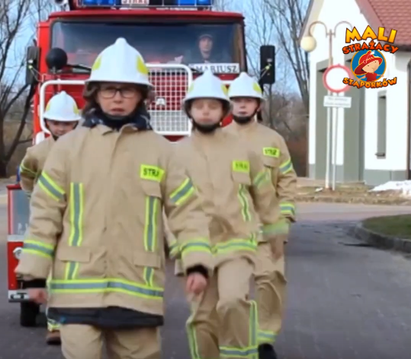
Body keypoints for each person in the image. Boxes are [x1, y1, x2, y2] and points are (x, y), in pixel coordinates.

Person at [15, 37, 209, 359]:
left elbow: (187, 211)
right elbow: (45, 214)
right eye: (109, 90)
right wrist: (34, 274)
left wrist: (197, 263)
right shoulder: (68, 149)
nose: (117, 98)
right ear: (94, 94)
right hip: (77, 291)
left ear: (141, 96)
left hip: (137, 293)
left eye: (127, 90)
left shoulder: (161, 152)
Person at [175, 70, 288, 359]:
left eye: (213, 106)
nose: (206, 111)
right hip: (194, 248)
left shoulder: (242, 150)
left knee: (233, 301)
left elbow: (264, 193)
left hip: (237, 242)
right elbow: (168, 206)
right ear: (189, 109)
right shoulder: (175, 154)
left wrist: (275, 231)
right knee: (203, 317)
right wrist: (176, 246)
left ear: (222, 111)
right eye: (199, 105)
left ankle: (242, 354)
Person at [226, 72, 297, 359]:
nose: (242, 105)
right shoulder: (217, 139)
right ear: (229, 104)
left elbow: (287, 181)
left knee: (270, 282)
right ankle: (236, 339)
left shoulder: (274, 140)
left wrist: (284, 219)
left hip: (268, 229)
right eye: (237, 100)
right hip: (230, 230)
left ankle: (264, 340)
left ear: (258, 105)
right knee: (232, 293)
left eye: (248, 101)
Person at [19, 91, 82, 345]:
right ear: (47, 123)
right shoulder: (36, 153)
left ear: (75, 124)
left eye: (66, 123)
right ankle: (55, 324)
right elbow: (26, 175)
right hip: (49, 219)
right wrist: (35, 199)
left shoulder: (84, 151)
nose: (61, 127)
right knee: (53, 272)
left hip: (76, 218)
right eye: (56, 123)